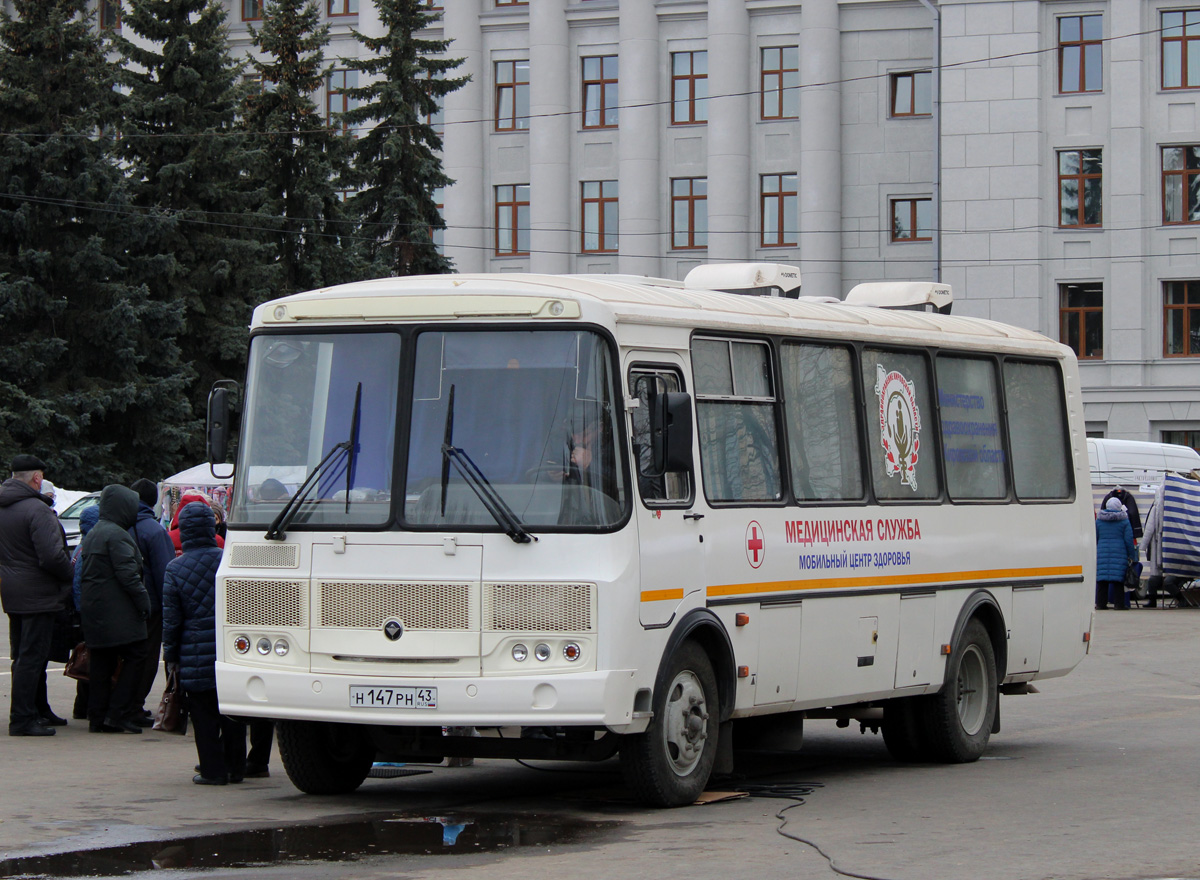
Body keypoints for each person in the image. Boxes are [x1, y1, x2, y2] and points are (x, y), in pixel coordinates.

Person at [162, 502, 246, 785]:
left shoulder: (175, 569)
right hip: (230, 650)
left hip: (195, 652)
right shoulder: (229, 560)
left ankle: (213, 770)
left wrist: (170, 655)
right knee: (232, 714)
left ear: (183, 531)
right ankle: (237, 767)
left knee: (204, 715)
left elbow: (172, 621)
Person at [0, 454, 74, 736]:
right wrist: (69, 575)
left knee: (23, 655)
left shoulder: (5, 506)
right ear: (37, 478)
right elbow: (52, 557)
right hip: (38, 593)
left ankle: (37, 709)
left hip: (12, 590)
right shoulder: (37, 509)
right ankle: (22, 717)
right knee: (33, 656)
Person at [78, 485, 150, 733]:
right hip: (118, 613)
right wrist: (144, 603)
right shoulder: (117, 535)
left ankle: (97, 716)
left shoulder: (96, 532)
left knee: (101, 663)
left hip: (95, 611)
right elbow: (129, 576)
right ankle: (118, 713)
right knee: (137, 655)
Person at [127, 478, 176, 726]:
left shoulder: (120, 525)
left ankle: (123, 704)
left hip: (124, 604)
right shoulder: (154, 531)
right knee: (145, 658)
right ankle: (134, 706)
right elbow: (165, 573)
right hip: (151, 605)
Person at [69, 506, 100, 720]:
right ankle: (85, 706)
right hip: (85, 613)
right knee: (88, 662)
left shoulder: (80, 546)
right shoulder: (88, 548)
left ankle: (82, 705)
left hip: (80, 612)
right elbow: (79, 584)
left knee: (85, 660)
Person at [1096, 496, 1138, 610]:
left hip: (1102, 552)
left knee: (1102, 579)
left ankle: (1100, 604)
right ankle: (1119, 604)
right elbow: (1129, 540)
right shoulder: (1124, 521)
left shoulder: (1099, 521)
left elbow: (1096, 537)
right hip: (1119, 552)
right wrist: (1132, 555)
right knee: (1118, 580)